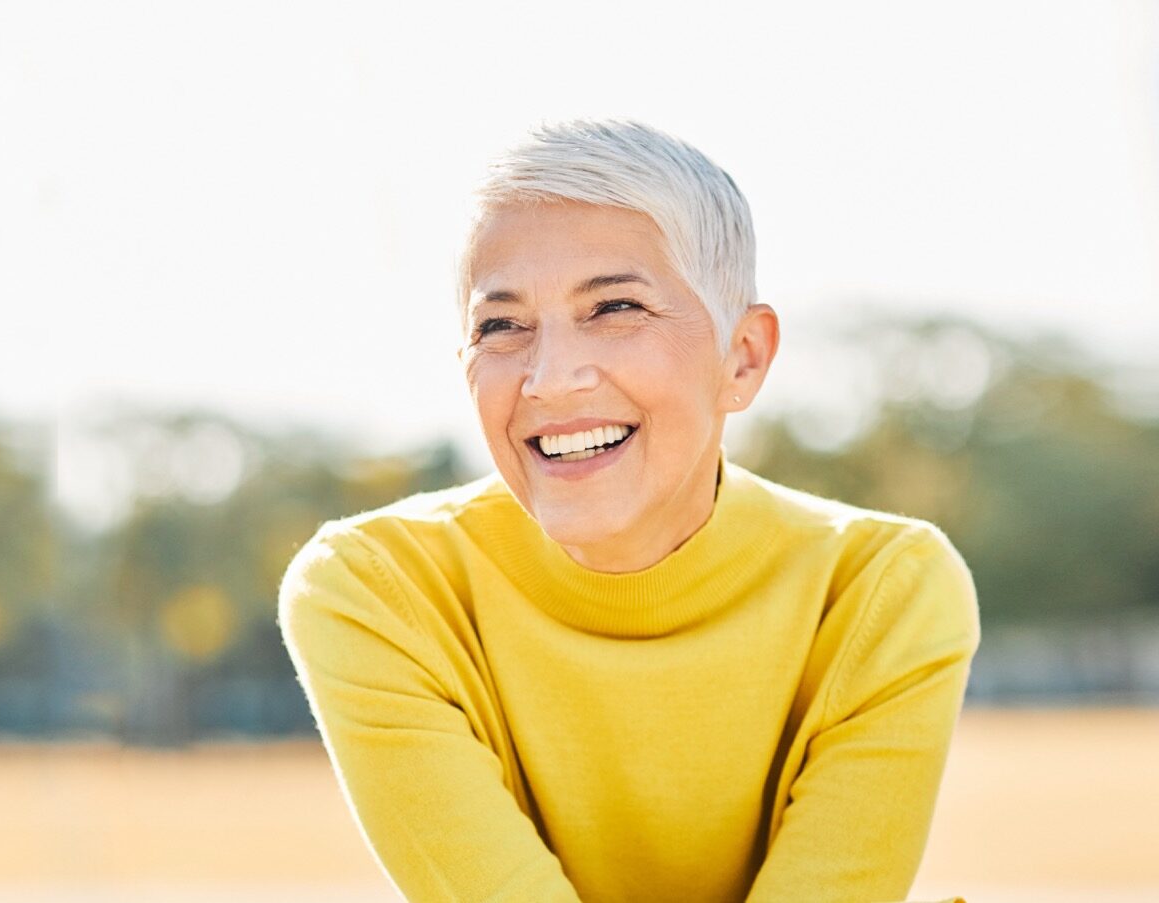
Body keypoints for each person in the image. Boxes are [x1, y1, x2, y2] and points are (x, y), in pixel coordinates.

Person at [278, 118, 980, 903]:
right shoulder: (377, 590)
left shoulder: (880, 589)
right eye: (501, 325)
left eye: (615, 308)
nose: (549, 377)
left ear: (742, 357)